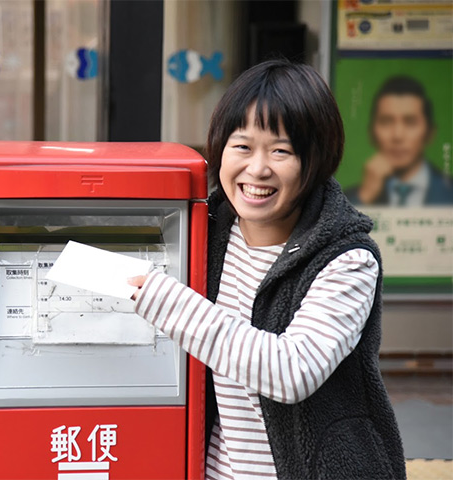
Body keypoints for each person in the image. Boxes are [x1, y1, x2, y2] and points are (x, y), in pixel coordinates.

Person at [129, 60, 406, 479]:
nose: (257, 169)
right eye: (242, 146)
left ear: (315, 161)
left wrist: (168, 301)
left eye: (281, 151)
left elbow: (292, 371)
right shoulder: (206, 234)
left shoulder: (346, 259)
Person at [345, 75, 453, 206]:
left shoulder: (449, 192)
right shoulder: (348, 200)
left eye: (410, 122)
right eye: (386, 121)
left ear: (430, 133)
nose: (397, 135)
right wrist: (364, 198)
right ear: (371, 133)